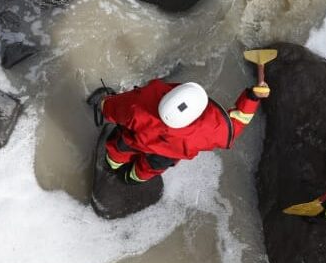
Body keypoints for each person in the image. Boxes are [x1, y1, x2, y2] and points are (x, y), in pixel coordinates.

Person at [94, 77, 269, 183]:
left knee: (117, 151)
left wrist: (103, 101)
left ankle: (111, 166)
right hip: (165, 156)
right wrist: (252, 97)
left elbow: (111, 108)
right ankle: (130, 180)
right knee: (147, 170)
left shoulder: (140, 105)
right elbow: (239, 120)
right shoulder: (210, 129)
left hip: (133, 141)